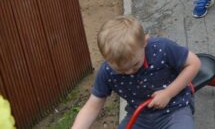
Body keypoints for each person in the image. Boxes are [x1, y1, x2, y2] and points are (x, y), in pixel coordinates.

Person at [71, 15, 200, 129]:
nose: (128, 72)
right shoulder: (107, 72)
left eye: (134, 65)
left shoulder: (162, 49)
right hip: (139, 115)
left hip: (174, 108)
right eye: (120, 70)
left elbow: (194, 64)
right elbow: (92, 106)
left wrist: (168, 93)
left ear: (145, 42)